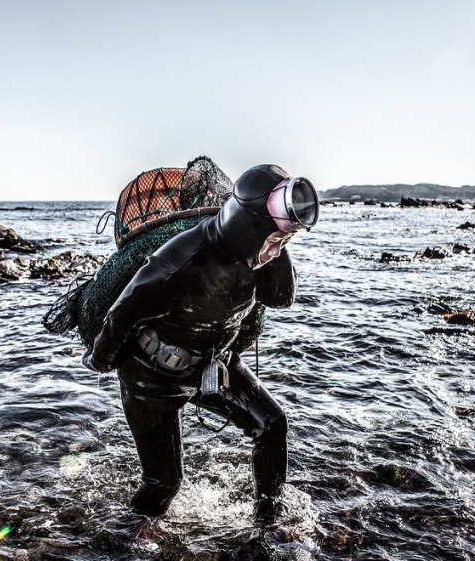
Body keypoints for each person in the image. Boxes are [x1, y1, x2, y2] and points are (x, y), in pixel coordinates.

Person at [86, 163, 319, 524]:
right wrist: (101, 360)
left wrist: (278, 240)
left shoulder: (259, 254)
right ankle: (129, 535)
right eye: (272, 242)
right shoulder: (178, 262)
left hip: (214, 364)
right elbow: (121, 316)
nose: (273, 252)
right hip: (152, 376)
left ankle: (269, 521)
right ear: (246, 227)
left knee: (272, 424)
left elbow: (282, 297)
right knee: (164, 483)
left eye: (282, 243)